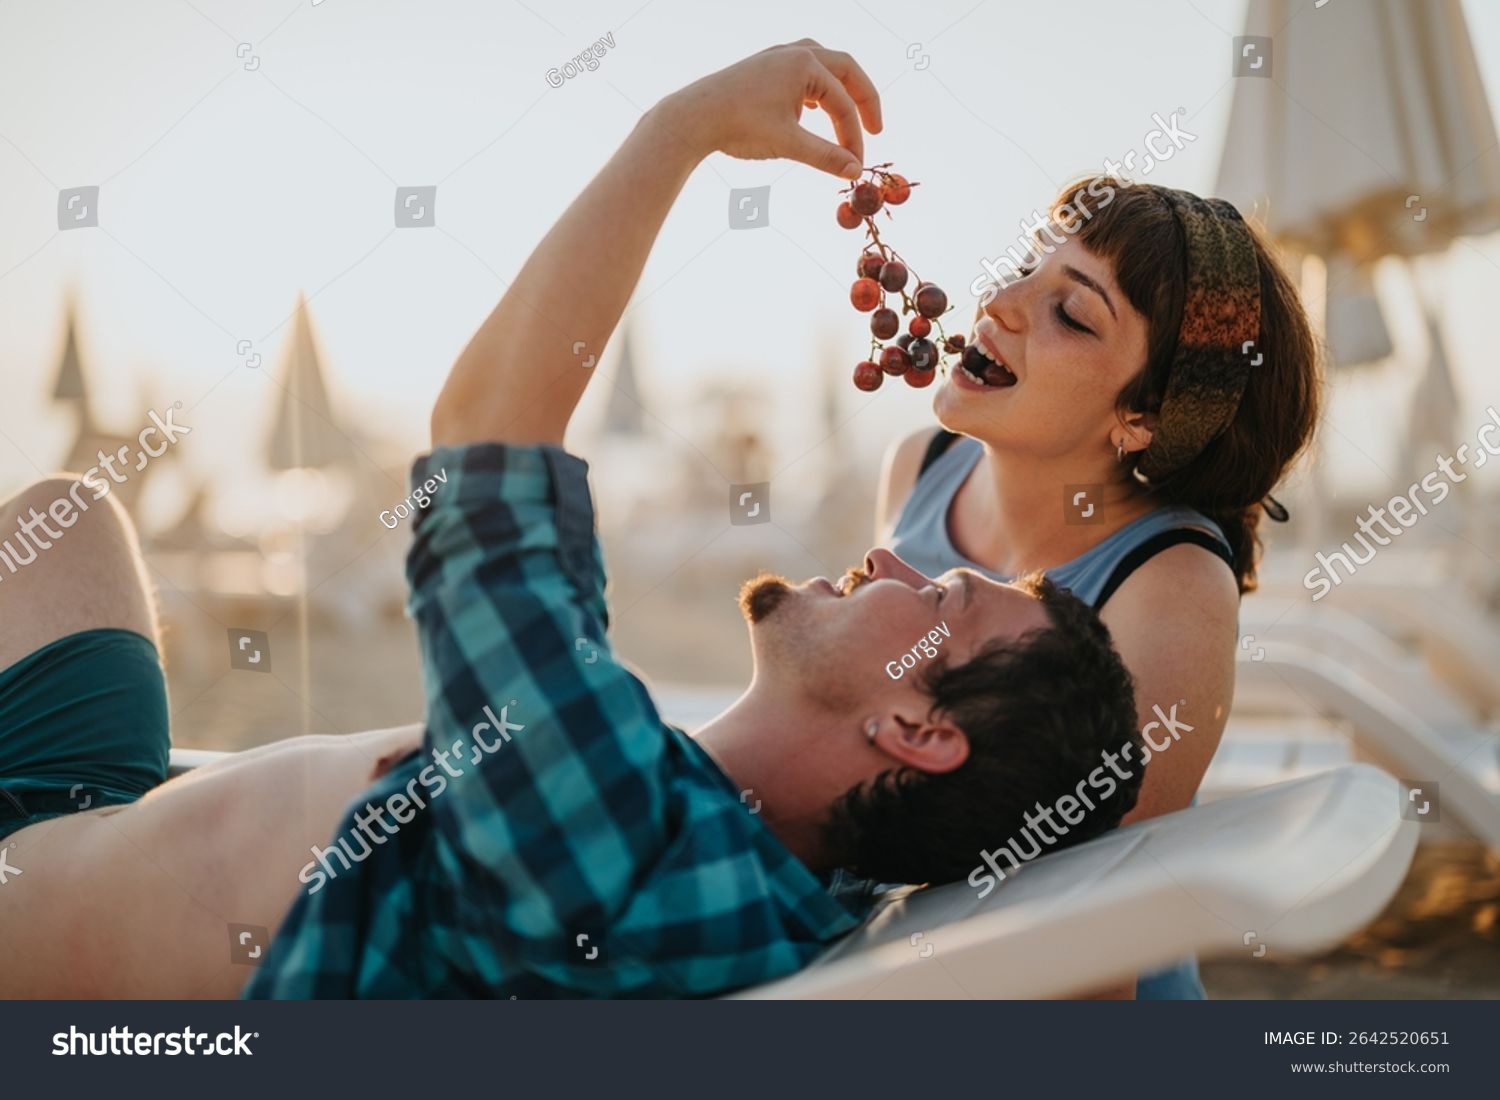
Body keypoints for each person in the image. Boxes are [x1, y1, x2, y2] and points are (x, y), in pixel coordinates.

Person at [0, 40, 1145, 1000]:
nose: (893, 551)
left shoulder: (626, 847)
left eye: (938, 593)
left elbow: (486, 432)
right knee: (64, 515)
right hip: (88, 794)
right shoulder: (758, 853)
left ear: (916, 729)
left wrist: (680, 129)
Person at [867, 176, 1321, 997]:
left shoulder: (1170, 587)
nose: (1001, 302)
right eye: (1026, 266)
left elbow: (1087, 928)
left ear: (1142, 420)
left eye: (1072, 314)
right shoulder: (919, 466)